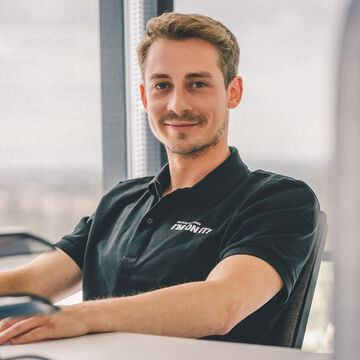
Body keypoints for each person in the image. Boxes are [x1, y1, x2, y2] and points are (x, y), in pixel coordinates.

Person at [0, 12, 319, 346]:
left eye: (198, 84)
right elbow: (31, 281)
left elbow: (221, 304)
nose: (178, 104)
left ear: (232, 92)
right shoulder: (121, 200)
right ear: (144, 97)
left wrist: (76, 318)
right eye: (162, 86)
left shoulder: (279, 200)